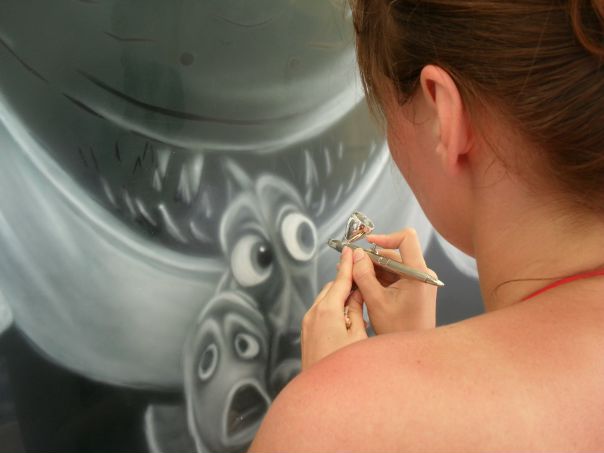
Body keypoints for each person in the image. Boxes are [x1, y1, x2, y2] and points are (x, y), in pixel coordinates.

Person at [249, 0, 604, 450]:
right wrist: (413, 362)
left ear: (441, 112)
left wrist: (346, 403)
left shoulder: (338, 418)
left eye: (383, 111)